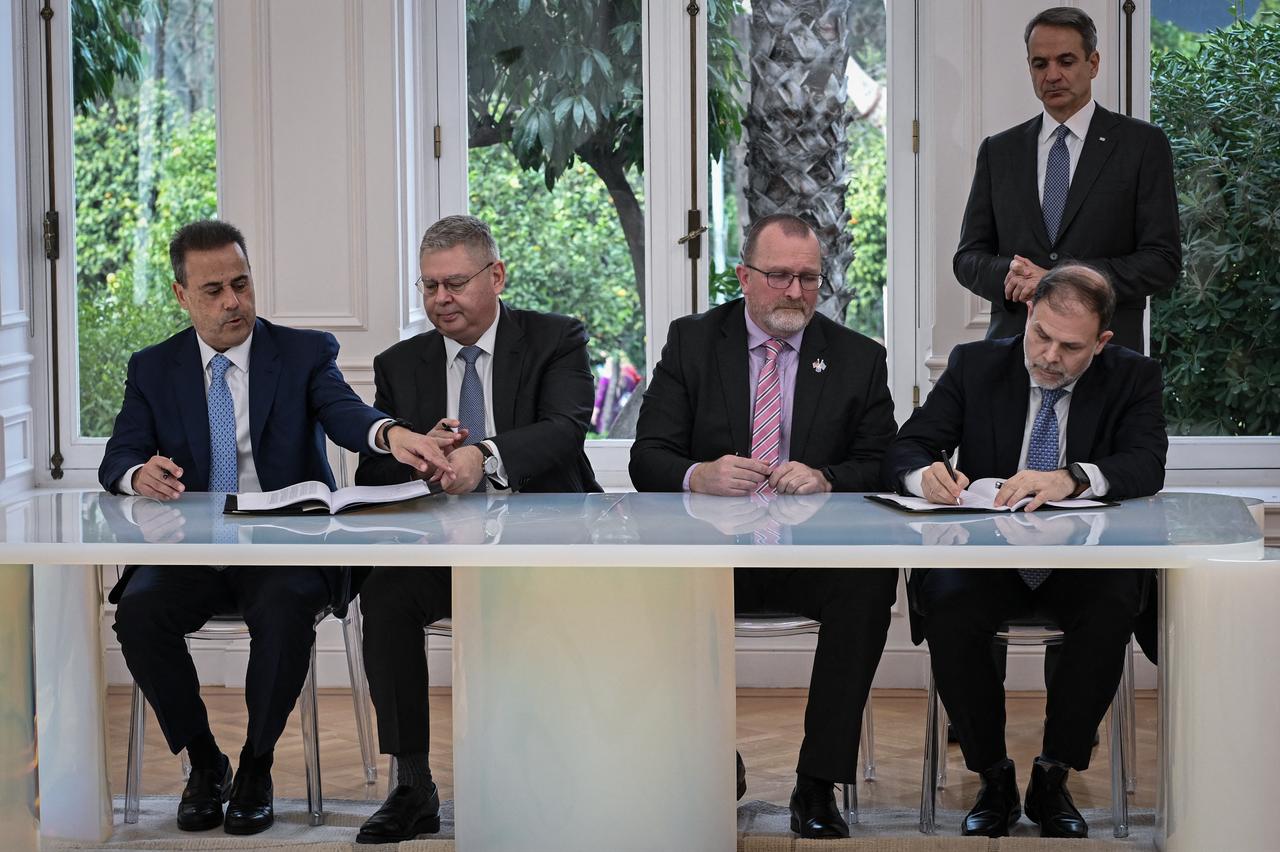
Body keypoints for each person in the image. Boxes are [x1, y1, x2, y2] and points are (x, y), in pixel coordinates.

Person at [99, 219, 455, 836]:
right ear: (182, 295)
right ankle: (206, 765)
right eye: (213, 291)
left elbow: (347, 414)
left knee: (287, 609)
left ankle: (256, 765)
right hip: (192, 551)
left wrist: (391, 435)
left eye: (241, 284)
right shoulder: (152, 368)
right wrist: (138, 475)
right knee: (138, 613)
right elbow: (117, 456)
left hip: (287, 548)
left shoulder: (303, 353)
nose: (233, 302)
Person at [629, 214, 898, 840]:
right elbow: (648, 457)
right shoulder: (694, 343)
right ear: (745, 277)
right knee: (660, 587)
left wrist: (827, 475)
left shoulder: (858, 358)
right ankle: (708, 760)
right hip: (714, 557)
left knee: (868, 585)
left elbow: (883, 460)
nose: (796, 292)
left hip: (814, 558)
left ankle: (817, 782)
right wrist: (699, 473)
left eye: (809, 278)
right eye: (779, 276)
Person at [883, 264, 1167, 838]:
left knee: (1114, 599)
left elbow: (1147, 462)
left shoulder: (1132, 375)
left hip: (1082, 561)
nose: (1049, 356)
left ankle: (1053, 775)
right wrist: (924, 478)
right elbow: (908, 445)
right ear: (1028, 316)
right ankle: (993, 776)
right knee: (947, 597)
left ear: (1102, 343)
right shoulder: (977, 364)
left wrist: (1072, 477)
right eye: (1041, 335)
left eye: (1071, 346)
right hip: (987, 555)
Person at [353, 215, 600, 844]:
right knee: (384, 596)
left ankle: (576, 769)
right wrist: (415, 452)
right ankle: (412, 786)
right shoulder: (399, 363)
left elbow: (565, 427)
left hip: (546, 539)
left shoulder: (555, 340)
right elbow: (372, 469)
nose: (441, 300)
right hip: (442, 543)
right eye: (429, 287)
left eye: (456, 284)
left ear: (496, 276)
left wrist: (482, 456)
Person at [953, 6, 1180, 352]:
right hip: (1014, 352)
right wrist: (1013, 276)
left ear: (1093, 64)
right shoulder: (999, 151)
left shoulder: (1141, 145)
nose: (1053, 74)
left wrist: (1060, 281)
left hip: (1106, 352)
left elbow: (1162, 261)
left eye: (1066, 61)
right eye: (1040, 64)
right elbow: (968, 258)